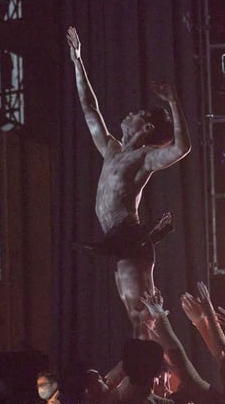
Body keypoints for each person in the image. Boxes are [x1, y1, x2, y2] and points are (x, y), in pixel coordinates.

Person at [66, 26, 191, 337]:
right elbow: (90, 109)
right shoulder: (112, 149)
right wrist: (78, 61)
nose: (129, 113)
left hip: (129, 238)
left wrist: (173, 102)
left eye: (136, 113)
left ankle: (156, 362)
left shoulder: (144, 157)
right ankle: (151, 362)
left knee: (142, 315)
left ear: (145, 128)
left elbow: (181, 148)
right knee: (137, 315)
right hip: (120, 239)